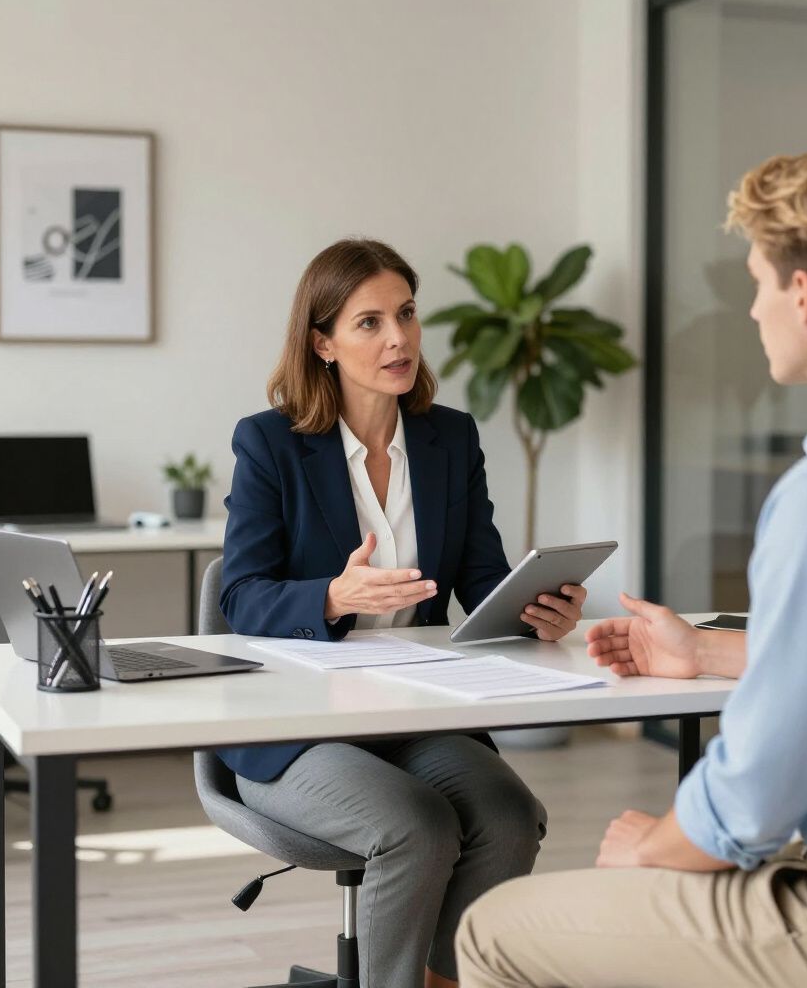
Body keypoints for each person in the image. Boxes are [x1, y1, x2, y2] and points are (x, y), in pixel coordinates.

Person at [455, 143, 807, 988]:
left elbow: (753, 800)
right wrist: (709, 655)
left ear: (804, 293)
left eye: (758, 283)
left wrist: (654, 846)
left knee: (495, 929)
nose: (753, 310)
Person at [216, 238, 588, 988]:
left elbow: (483, 582)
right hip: (296, 723)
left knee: (509, 815)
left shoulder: (450, 438)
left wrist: (537, 609)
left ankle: (445, 980)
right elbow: (239, 597)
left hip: (417, 707)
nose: (398, 339)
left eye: (408, 314)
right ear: (322, 343)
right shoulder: (271, 444)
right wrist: (330, 596)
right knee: (414, 826)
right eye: (370, 322)